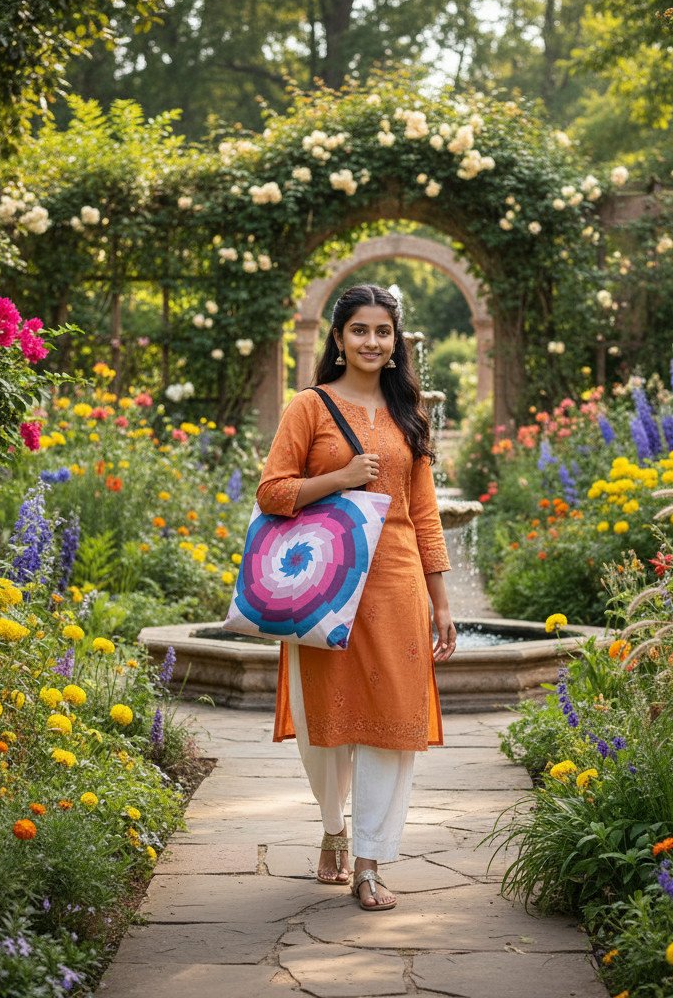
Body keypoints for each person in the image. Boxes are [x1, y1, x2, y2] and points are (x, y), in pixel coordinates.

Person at [255, 282, 457, 912]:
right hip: (323, 580)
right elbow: (271, 492)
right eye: (360, 330)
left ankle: (369, 863)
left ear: (396, 342)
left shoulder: (409, 413)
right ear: (339, 339)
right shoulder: (309, 407)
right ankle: (333, 828)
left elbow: (425, 514)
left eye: (383, 331)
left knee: (393, 720)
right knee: (326, 721)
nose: (373, 341)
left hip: (395, 581)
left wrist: (441, 602)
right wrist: (340, 479)